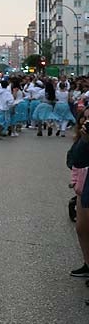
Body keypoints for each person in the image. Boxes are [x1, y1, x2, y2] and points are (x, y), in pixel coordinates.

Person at [64, 115, 89, 285]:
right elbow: (75, 160)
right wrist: (85, 140)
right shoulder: (83, 139)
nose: (86, 122)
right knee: (81, 228)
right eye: (85, 118)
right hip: (84, 187)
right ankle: (88, 263)